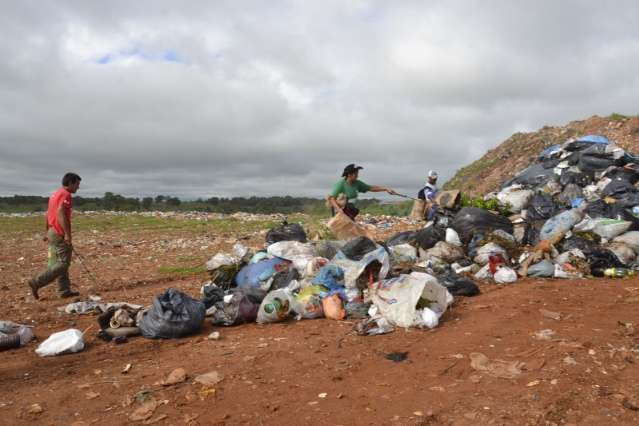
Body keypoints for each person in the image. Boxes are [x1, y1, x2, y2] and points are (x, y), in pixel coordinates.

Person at [28, 173, 82, 299]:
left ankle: (64, 291)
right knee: (63, 264)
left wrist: (47, 231)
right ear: (70, 183)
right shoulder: (66, 195)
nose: (78, 188)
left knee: (59, 262)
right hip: (59, 233)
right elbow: (60, 213)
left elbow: (48, 214)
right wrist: (68, 235)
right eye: (77, 184)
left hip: (52, 231)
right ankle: (36, 282)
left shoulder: (54, 195)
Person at [328, 164, 398, 220]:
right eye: (355, 174)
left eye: (357, 173)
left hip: (349, 210)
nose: (357, 176)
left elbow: (370, 188)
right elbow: (331, 198)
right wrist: (339, 210)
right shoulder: (340, 184)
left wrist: (386, 189)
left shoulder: (357, 183)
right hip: (340, 210)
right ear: (349, 174)